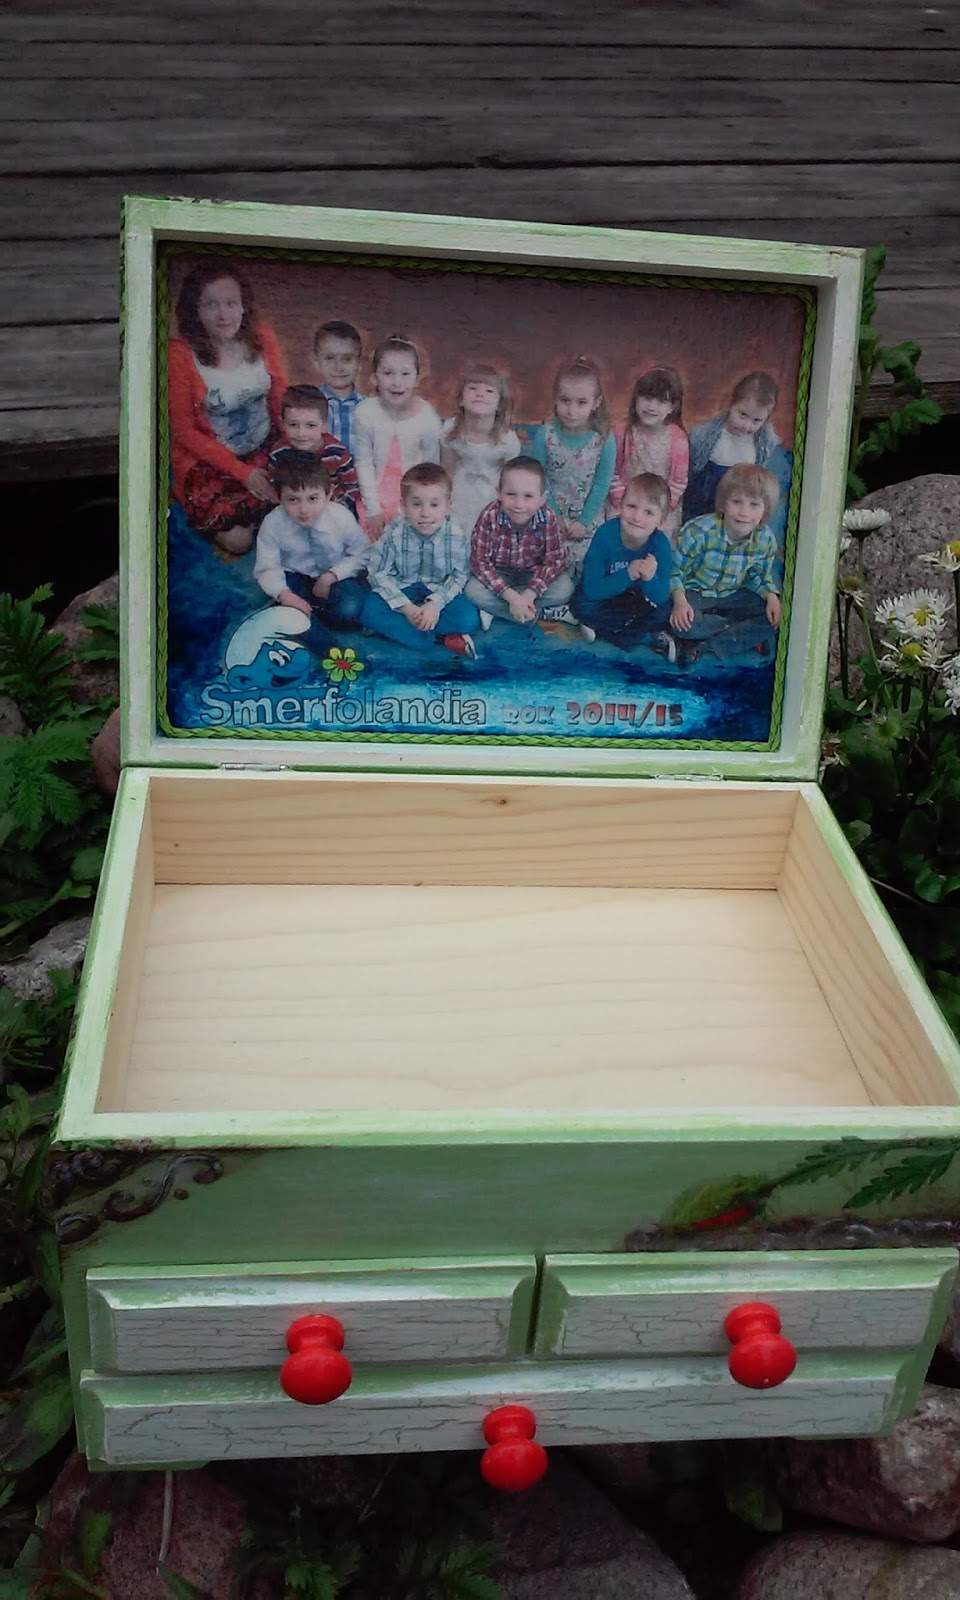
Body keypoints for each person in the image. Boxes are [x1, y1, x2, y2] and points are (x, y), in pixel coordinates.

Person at [169, 260, 287, 554]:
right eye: (211, 305)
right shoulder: (180, 354)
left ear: (244, 305)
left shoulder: (261, 336)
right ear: (194, 310)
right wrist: (242, 472)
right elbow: (184, 431)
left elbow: (279, 398)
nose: (224, 315)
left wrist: (293, 443)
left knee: (307, 499)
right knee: (238, 541)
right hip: (212, 459)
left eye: (231, 303)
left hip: (264, 445)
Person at [360, 462, 480, 659]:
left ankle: (412, 631)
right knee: (370, 610)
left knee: (468, 618)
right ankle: (437, 636)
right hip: (402, 586)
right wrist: (406, 608)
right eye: (417, 504)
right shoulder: (394, 532)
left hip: (436, 588)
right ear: (403, 506)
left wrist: (435, 604)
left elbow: (459, 576)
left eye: (434, 505)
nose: (425, 513)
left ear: (448, 506)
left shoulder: (456, 535)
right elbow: (378, 573)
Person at [670, 463, 782, 667]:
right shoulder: (699, 531)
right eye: (737, 502)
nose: (743, 512)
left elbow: (758, 576)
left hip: (733, 595)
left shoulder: (765, 540)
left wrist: (771, 596)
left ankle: (707, 644)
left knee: (774, 614)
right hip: (696, 594)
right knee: (679, 621)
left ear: (765, 511)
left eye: (754, 505)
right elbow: (674, 571)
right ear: (723, 503)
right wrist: (680, 602)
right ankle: (738, 633)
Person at [253, 452, 369, 652]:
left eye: (313, 498)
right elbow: (267, 568)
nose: (304, 509)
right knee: (291, 607)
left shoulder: (340, 516)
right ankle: (330, 650)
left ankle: (305, 617)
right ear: (279, 498)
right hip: (294, 575)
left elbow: (362, 553)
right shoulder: (272, 524)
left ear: (329, 494)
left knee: (349, 607)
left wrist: (332, 575)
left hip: (333, 574)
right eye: (293, 500)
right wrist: (285, 595)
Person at [527, 356, 616, 581]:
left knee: (589, 571)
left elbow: (602, 483)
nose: (571, 411)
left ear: (596, 403)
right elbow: (539, 477)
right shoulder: (545, 434)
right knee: (547, 569)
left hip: (588, 519)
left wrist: (583, 522)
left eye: (581, 403)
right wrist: (555, 516)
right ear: (555, 398)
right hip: (549, 514)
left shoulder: (603, 439)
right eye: (565, 400)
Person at [574, 473, 675, 657]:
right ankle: (639, 636)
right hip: (606, 595)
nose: (637, 517)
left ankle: (604, 629)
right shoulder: (605, 534)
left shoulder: (661, 545)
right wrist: (628, 574)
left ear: (661, 522)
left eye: (648, 512)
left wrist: (649, 579)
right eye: (631, 506)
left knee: (666, 611)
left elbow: (661, 596)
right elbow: (591, 589)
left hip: (637, 600)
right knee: (581, 603)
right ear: (620, 506)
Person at [465, 456, 573, 626]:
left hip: (532, 574)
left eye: (528, 496)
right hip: (499, 573)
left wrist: (530, 593)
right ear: (499, 493)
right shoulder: (489, 515)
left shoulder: (548, 517)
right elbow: (479, 563)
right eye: (510, 494)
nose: (518, 504)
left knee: (565, 588)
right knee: (472, 590)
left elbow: (555, 561)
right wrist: (511, 596)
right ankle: (537, 613)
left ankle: (505, 610)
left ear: (542, 499)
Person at [352, 335, 442, 537]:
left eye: (405, 373)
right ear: (374, 377)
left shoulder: (427, 419)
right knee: (373, 544)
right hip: (375, 495)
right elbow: (364, 462)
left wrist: (408, 512)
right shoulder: (365, 413)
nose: (397, 382)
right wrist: (373, 509)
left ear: (417, 378)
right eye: (388, 373)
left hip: (415, 498)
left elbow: (430, 470)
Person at [684, 371, 792, 541]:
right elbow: (692, 468)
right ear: (730, 404)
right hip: (704, 497)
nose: (747, 426)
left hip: (738, 500)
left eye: (756, 421)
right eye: (742, 415)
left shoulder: (764, 443)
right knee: (698, 535)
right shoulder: (705, 435)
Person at [440, 365, 522, 538]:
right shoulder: (451, 430)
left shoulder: (507, 440)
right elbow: (447, 468)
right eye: (472, 388)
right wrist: (444, 498)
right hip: (461, 489)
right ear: (461, 399)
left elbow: (511, 478)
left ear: (499, 404)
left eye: (489, 391)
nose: (480, 394)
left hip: (492, 492)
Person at [609, 366, 688, 539]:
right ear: (636, 398)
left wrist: (662, 509)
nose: (651, 406)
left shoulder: (678, 439)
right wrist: (623, 504)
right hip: (625, 504)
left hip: (660, 508)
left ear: (672, 407)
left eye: (661, 402)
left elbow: (679, 481)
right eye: (646, 398)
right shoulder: (621, 433)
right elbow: (613, 473)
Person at [268, 384, 361, 517]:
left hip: (331, 510)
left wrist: (336, 508)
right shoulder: (279, 453)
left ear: (324, 426)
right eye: (293, 425)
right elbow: (275, 487)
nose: (301, 433)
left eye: (310, 425)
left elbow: (351, 487)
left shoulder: (337, 453)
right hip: (292, 511)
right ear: (282, 424)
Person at [313, 320, 365, 456]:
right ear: (316, 362)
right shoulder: (310, 405)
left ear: (359, 363)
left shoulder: (369, 408)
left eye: (347, 359)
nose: (338, 367)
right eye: (330, 358)